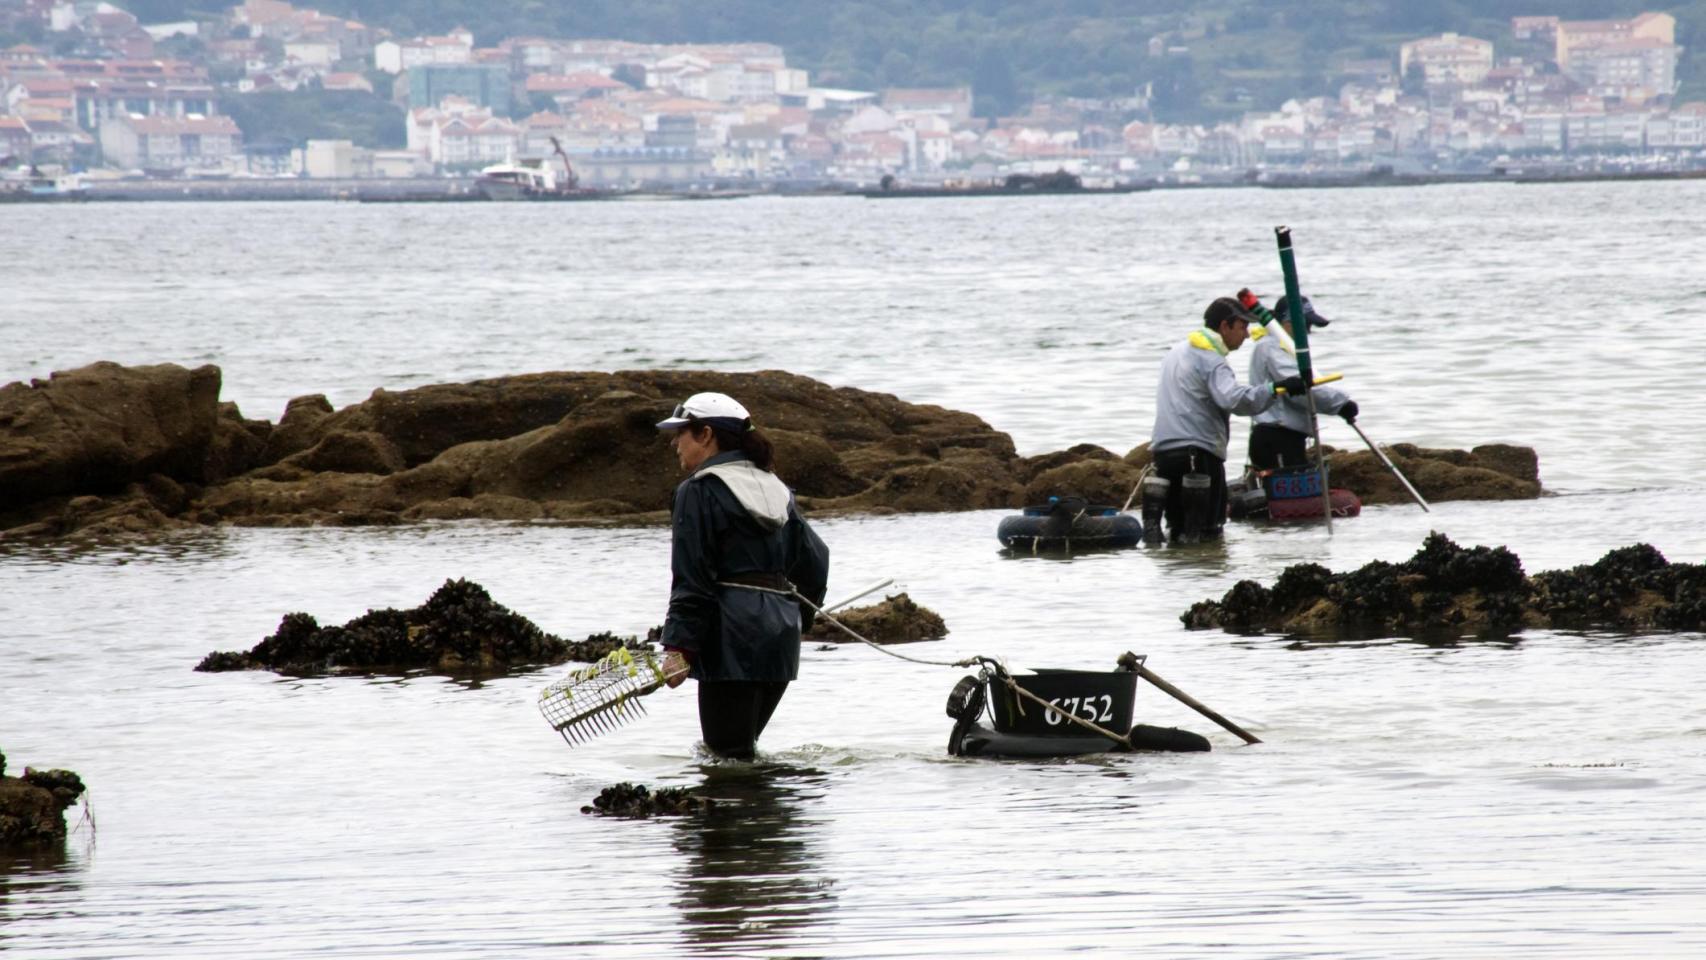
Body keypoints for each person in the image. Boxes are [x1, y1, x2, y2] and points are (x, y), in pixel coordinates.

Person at [655, 391, 830, 760]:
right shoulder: (777, 488)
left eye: (680, 433)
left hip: (731, 640)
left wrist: (679, 648)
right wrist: (800, 620)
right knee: (741, 753)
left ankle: (736, 817)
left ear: (705, 434)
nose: (674, 443)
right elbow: (816, 559)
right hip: (780, 641)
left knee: (725, 759)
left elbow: (692, 579)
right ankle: (760, 816)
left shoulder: (697, 491)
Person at [1147, 297, 1309, 542]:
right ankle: (1205, 578)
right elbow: (1233, 400)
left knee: (1179, 531)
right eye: (1242, 327)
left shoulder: (1176, 351)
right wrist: (1275, 388)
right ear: (1225, 326)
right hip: (1198, 455)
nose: (1247, 335)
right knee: (1206, 533)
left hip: (1164, 455)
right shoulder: (1212, 360)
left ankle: (1179, 577)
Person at [1246, 293, 1358, 471]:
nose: (1308, 331)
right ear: (1288, 324)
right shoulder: (1273, 347)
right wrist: (1340, 404)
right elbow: (1299, 390)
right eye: (1305, 325)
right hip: (1276, 437)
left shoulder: (1287, 348)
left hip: (1289, 437)